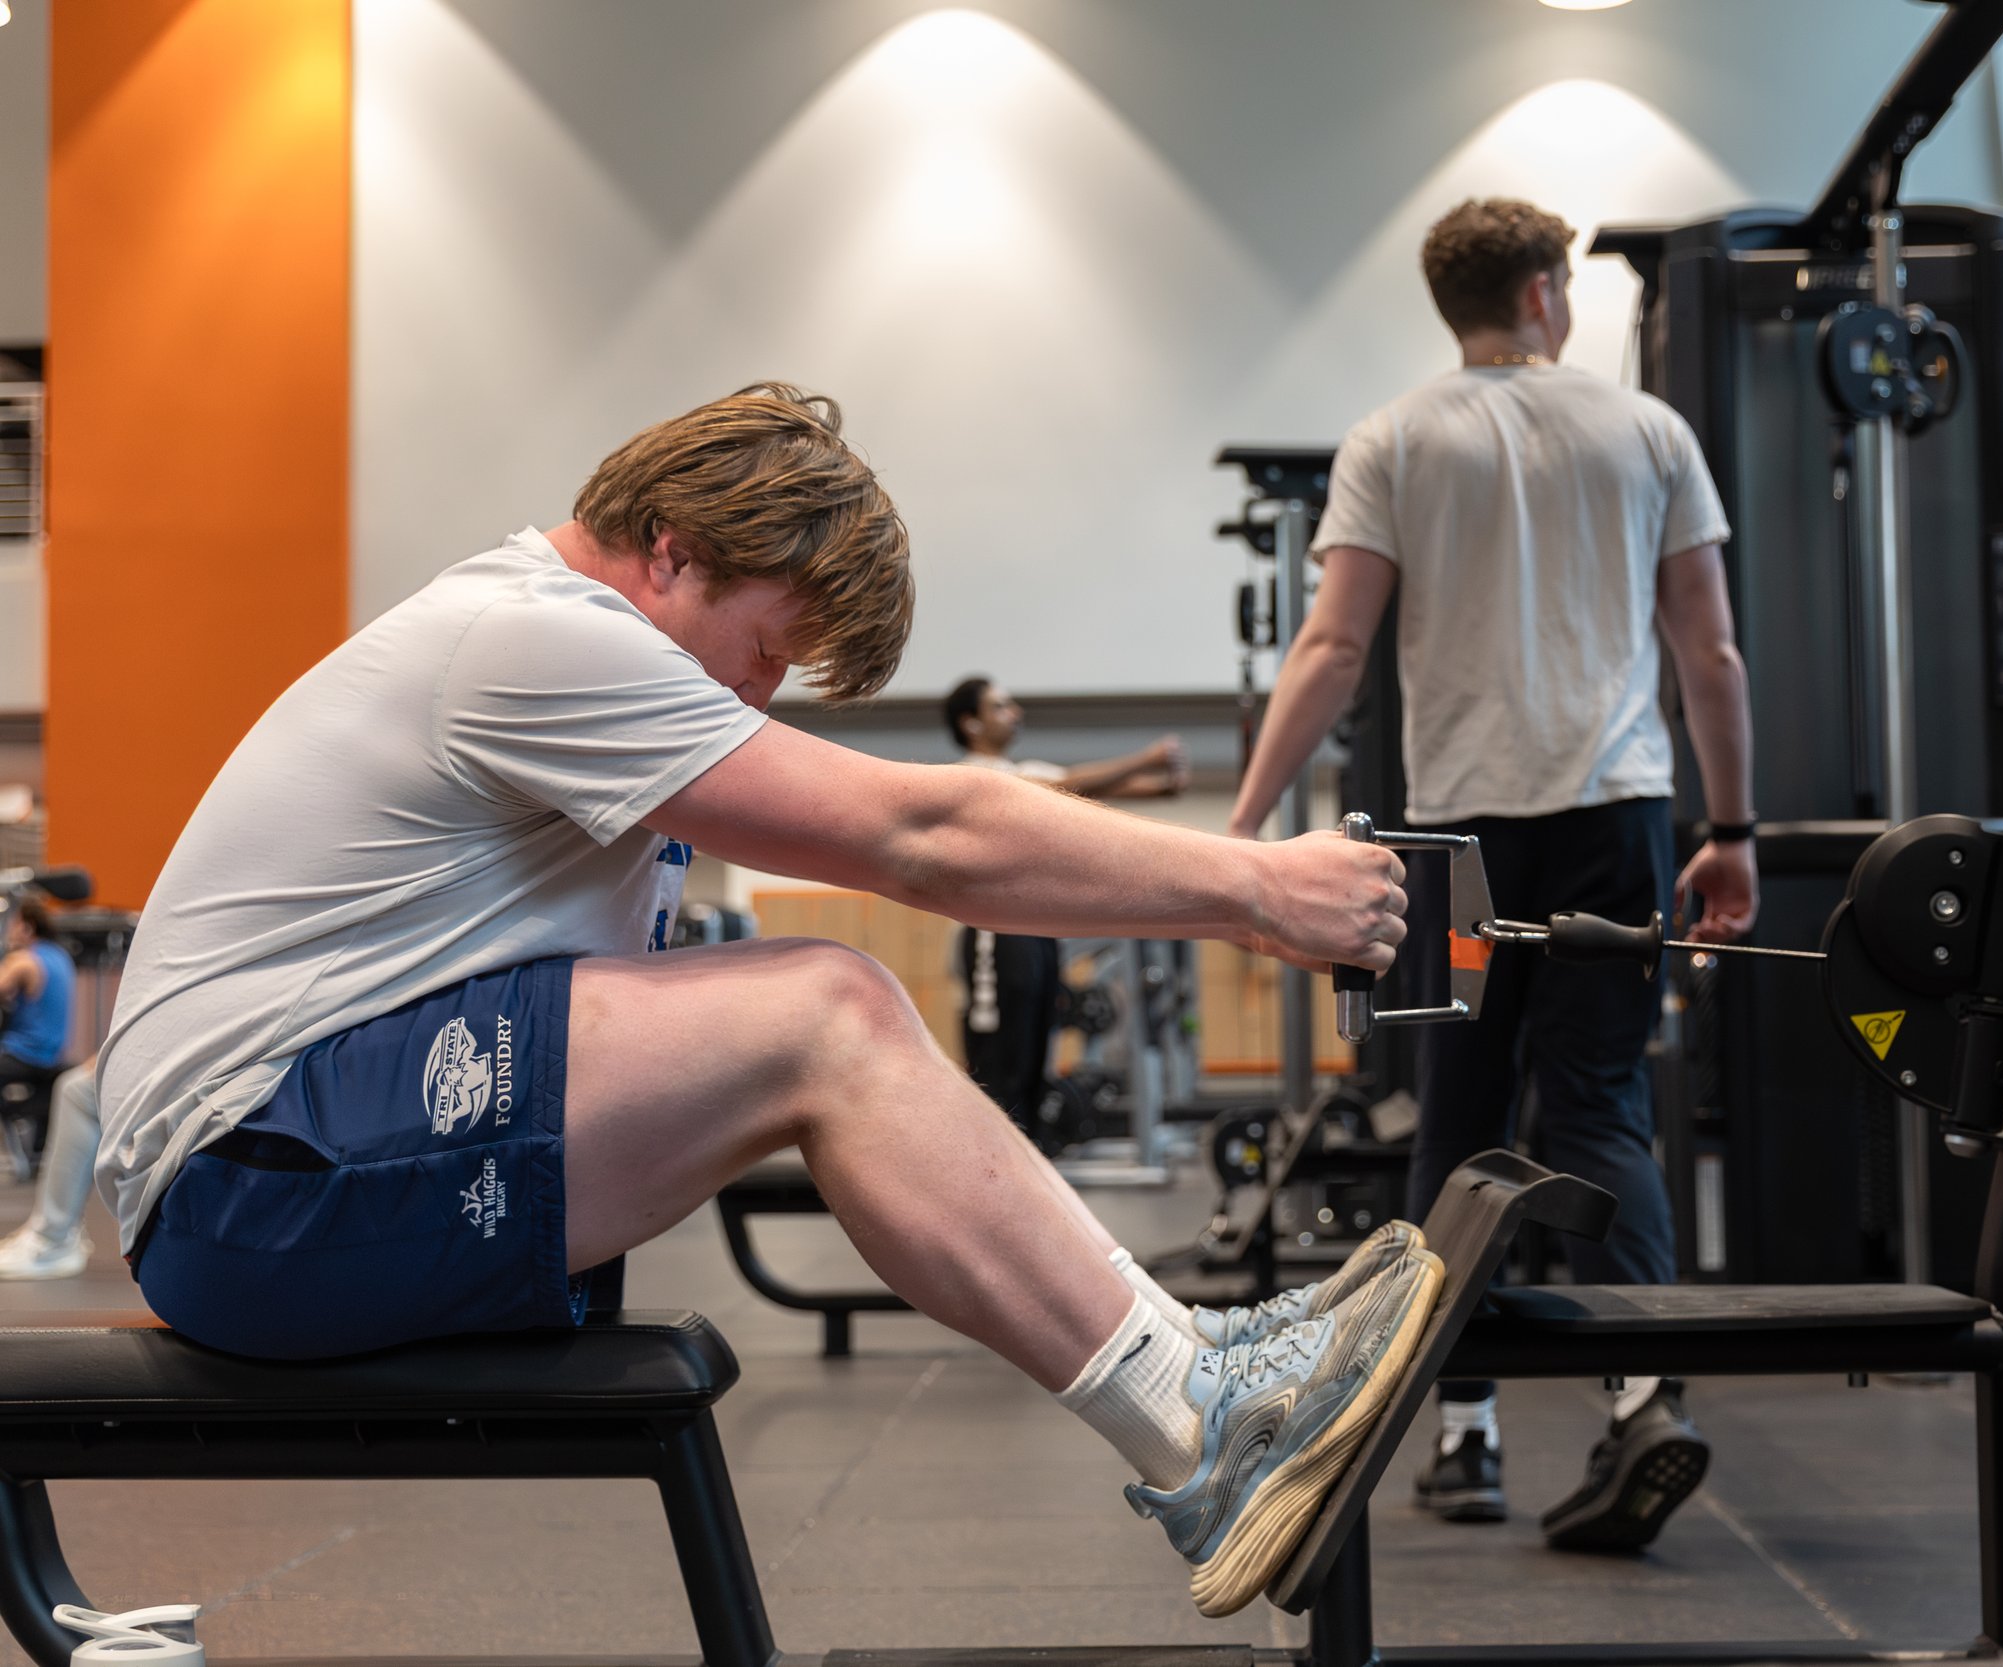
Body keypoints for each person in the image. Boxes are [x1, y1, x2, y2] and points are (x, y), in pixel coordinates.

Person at [93, 384, 1441, 1619]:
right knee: (826, 1012)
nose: (755, 693)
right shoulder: (534, 639)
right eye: (760, 649)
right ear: (670, 550)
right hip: (245, 1178)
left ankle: (1187, 1354)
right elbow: (922, 836)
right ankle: (1197, 1417)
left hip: (298, 1149)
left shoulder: (549, 645)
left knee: (808, 1006)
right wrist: (1255, 886)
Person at [1227, 199, 1759, 1550]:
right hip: (1617, 816)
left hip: (1452, 844)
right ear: (1540, 290)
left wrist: (1241, 827)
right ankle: (1642, 1397)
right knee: (1599, 1107)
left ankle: (1459, 1429)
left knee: (1456, 1123)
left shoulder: (1395, 436)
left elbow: (1332, 650)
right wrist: (1733, 826)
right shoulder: (1648, 432)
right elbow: (1710, 655)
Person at [941, 675, 1187, 1139]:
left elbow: (1082, 788)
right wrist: (1149, 756)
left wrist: (1165, 783)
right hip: (993, 937)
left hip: (1034, 929)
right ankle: (992, 1170)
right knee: (1002, 1066)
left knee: (1037, 1058)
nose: (1014, 713)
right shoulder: (973, 775)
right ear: (971, 723)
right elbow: (1067, 784)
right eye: (1000, 707)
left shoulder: (1024, 769)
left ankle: (1030, 1159)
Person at [0, 1056, 99, 1279]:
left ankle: (54, 1238)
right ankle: (51, 1233)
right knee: (78, 1086)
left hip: (30, 1052)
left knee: (79, 1091)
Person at [0, 898, 77, 1174]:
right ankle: (35, 1150)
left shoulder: (24, 959)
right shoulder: (61, 957)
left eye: (13, 924)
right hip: (52, 1055)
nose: (9, 930)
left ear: (27, 928)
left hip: (24, 1054)